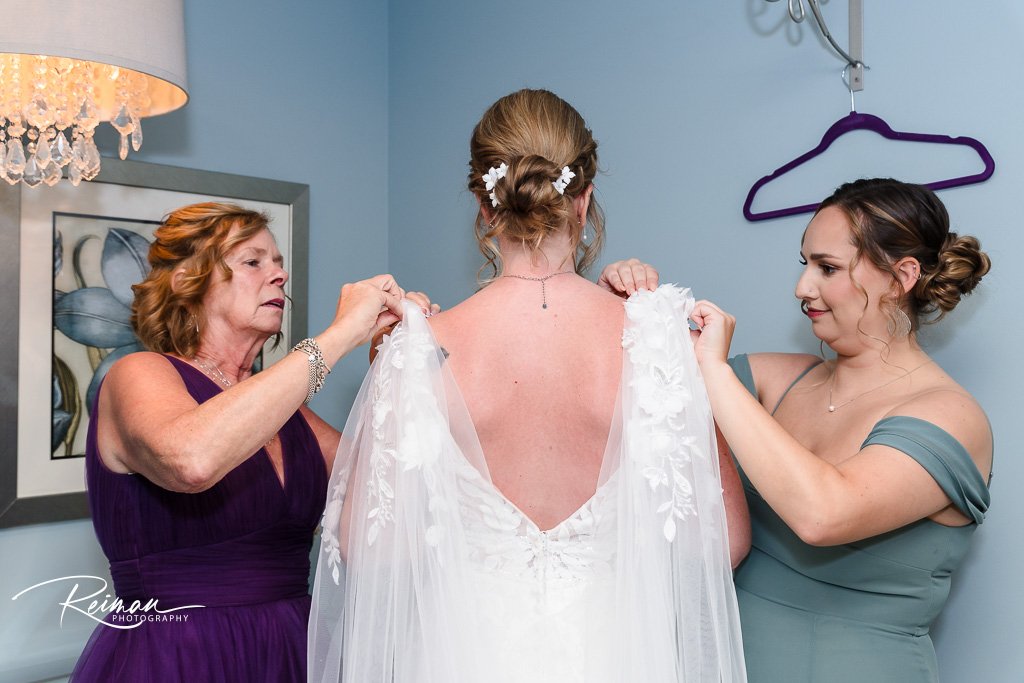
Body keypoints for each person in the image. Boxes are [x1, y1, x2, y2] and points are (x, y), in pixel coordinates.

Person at [308, 89, 748, 683]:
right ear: (585, 200)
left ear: (485, 206)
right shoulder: (659, 338)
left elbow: (366, 548)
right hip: (620, 653)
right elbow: (724, 543)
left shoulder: (417, 349)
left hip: (461, 655)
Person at [601, 178, 993, 682]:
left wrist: (715, 372)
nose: (802, 288)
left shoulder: (952, 417)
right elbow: (606, 412)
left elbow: (824, 514)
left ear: (902, 277)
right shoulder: (772, 380)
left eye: (827, 268)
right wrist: (617, 305)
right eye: (804, 263)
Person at [70, 202, 433, 682]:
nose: (279, 275)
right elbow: (192, 459)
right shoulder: (136, 374)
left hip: (290, 650)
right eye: (253, 261)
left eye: (279, 263)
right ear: (185, 281)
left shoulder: (290, 414)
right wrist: (342, 333)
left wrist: (401, 363)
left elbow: (383, 519)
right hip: (176, 654)